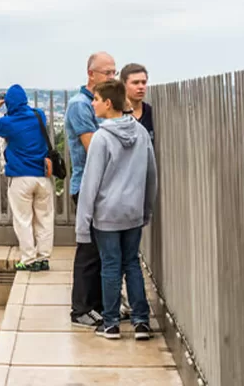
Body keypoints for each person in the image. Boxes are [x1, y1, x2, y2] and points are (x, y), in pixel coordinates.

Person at [74, 80, 157, 340]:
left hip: (107, 214)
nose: (92, 103)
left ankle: (110, 323)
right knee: (132, 263)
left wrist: (82, 225)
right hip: (133, 211)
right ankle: (141, 321)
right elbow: (151, 174)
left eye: (96, 99)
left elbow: (90, 184)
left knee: (110, 266)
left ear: (108, 103)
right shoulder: (141, 133)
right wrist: (146, 209)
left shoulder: (101, 138)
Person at [65, 51, 118, 328]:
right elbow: (93, 149)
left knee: (102, 250)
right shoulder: (80, 105)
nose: (112, 77)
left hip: (106, 187)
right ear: (91, 74)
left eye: (114, 72)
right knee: (88, 249)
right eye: (107, 73)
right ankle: (82, 308)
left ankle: (98, 304)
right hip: (87, 186)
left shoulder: (105, 105)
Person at [0, 85, 53, 271]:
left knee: (23, 219)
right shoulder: (39, 114)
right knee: (44, 218)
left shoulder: (8, 122)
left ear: (9, 102)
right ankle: (44, 258)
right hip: (42, 176)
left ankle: (28, 259)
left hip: (20, 177)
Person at [120, 64, 154, 142]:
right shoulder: (116, 114)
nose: (141, 87)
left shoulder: (152, 113)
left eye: (144, 82)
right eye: (135, 83)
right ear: (123, 85)